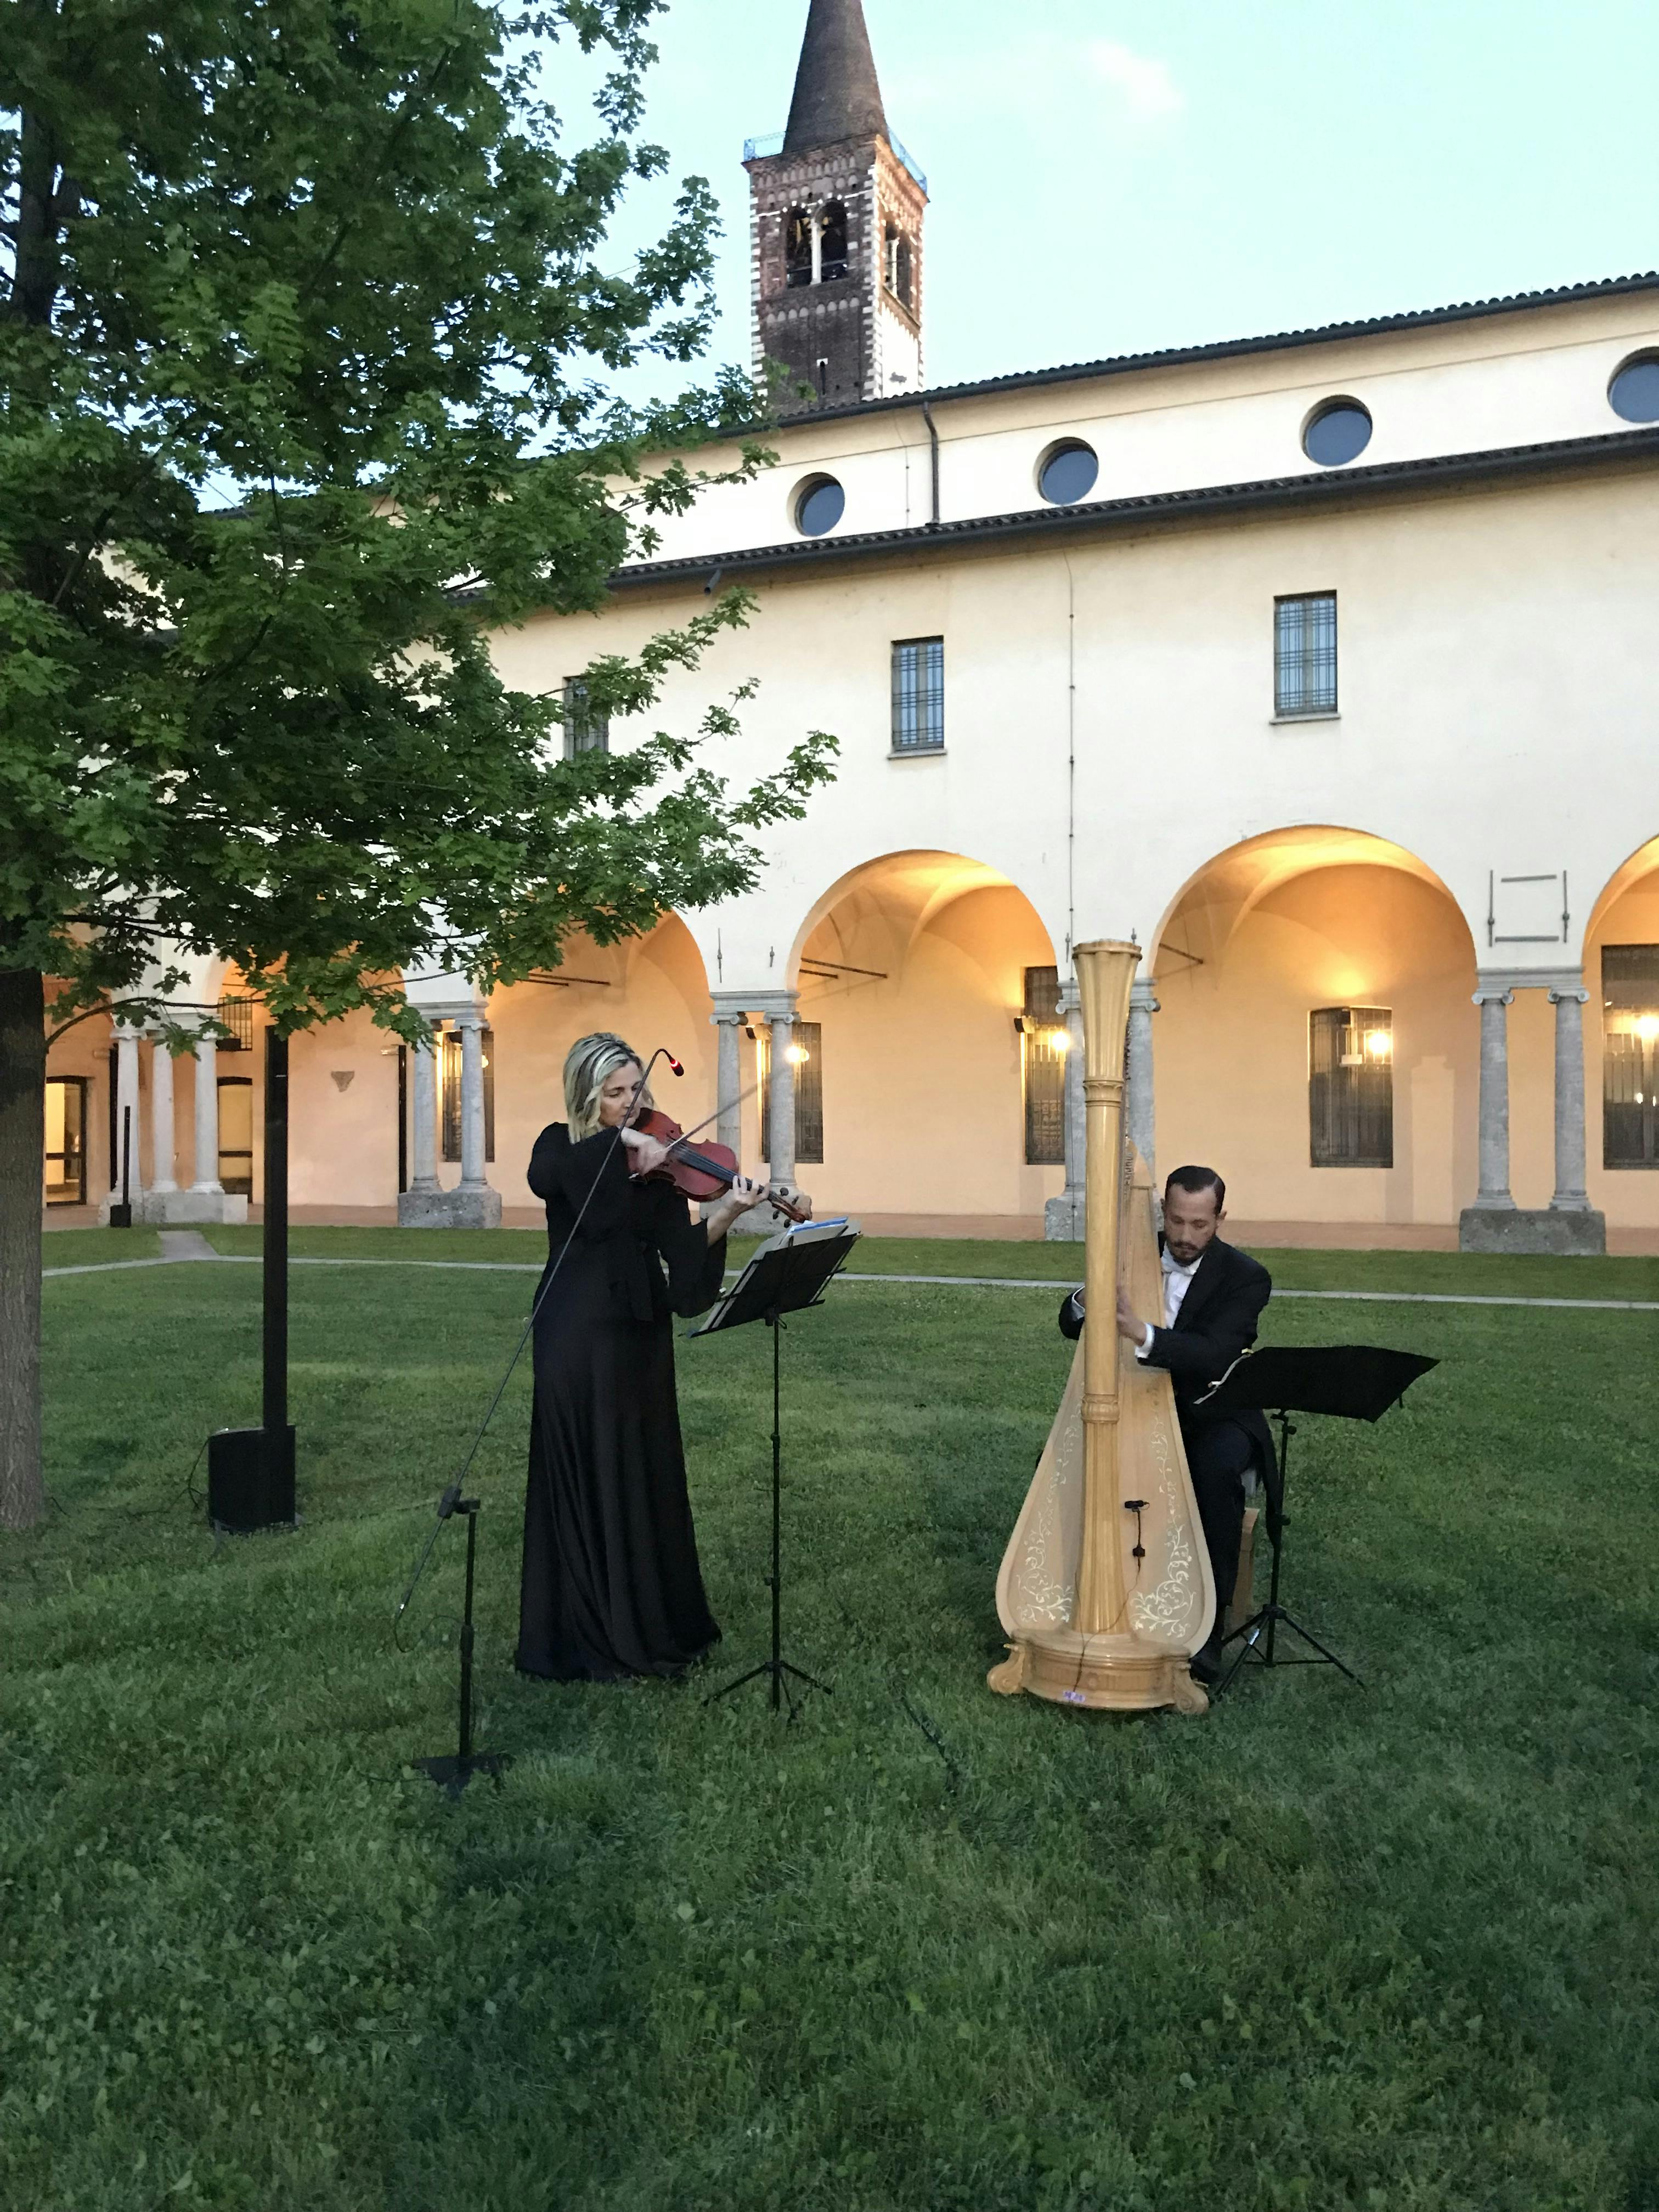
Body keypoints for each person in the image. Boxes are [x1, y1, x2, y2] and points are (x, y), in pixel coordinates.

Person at [516, 1032, 775, 1683]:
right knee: (593, 1469)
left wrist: (724, 1214)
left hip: (639, 1329)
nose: (632, 1104)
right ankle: (590, 1632)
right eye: (616, 1094)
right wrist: (626, 1142)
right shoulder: (562, 1146)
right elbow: (547, 1179)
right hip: (576, 1331)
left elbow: (683, 1272)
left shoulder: (663, 1169)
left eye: (637, 1090)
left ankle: (656, 1619)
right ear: (587, 1095)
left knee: (645, 1470)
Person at [1059, 1164, 1274, 1684]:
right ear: (1163, 1211)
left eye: (1199, 1225)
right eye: (1176, 1221)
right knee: (1065, 1457)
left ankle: (1205, 1633)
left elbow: (1214, 1355)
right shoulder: (1133, 1250)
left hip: (1212, 1408)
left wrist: (1142, 1332)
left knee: (1215, 1472)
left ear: (1221, 1217)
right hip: (1135, 1400)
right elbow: (1069, 1324)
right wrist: (1087, 1297)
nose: (1183, 1236)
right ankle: (1076, 1597)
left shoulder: (1247, 1276)